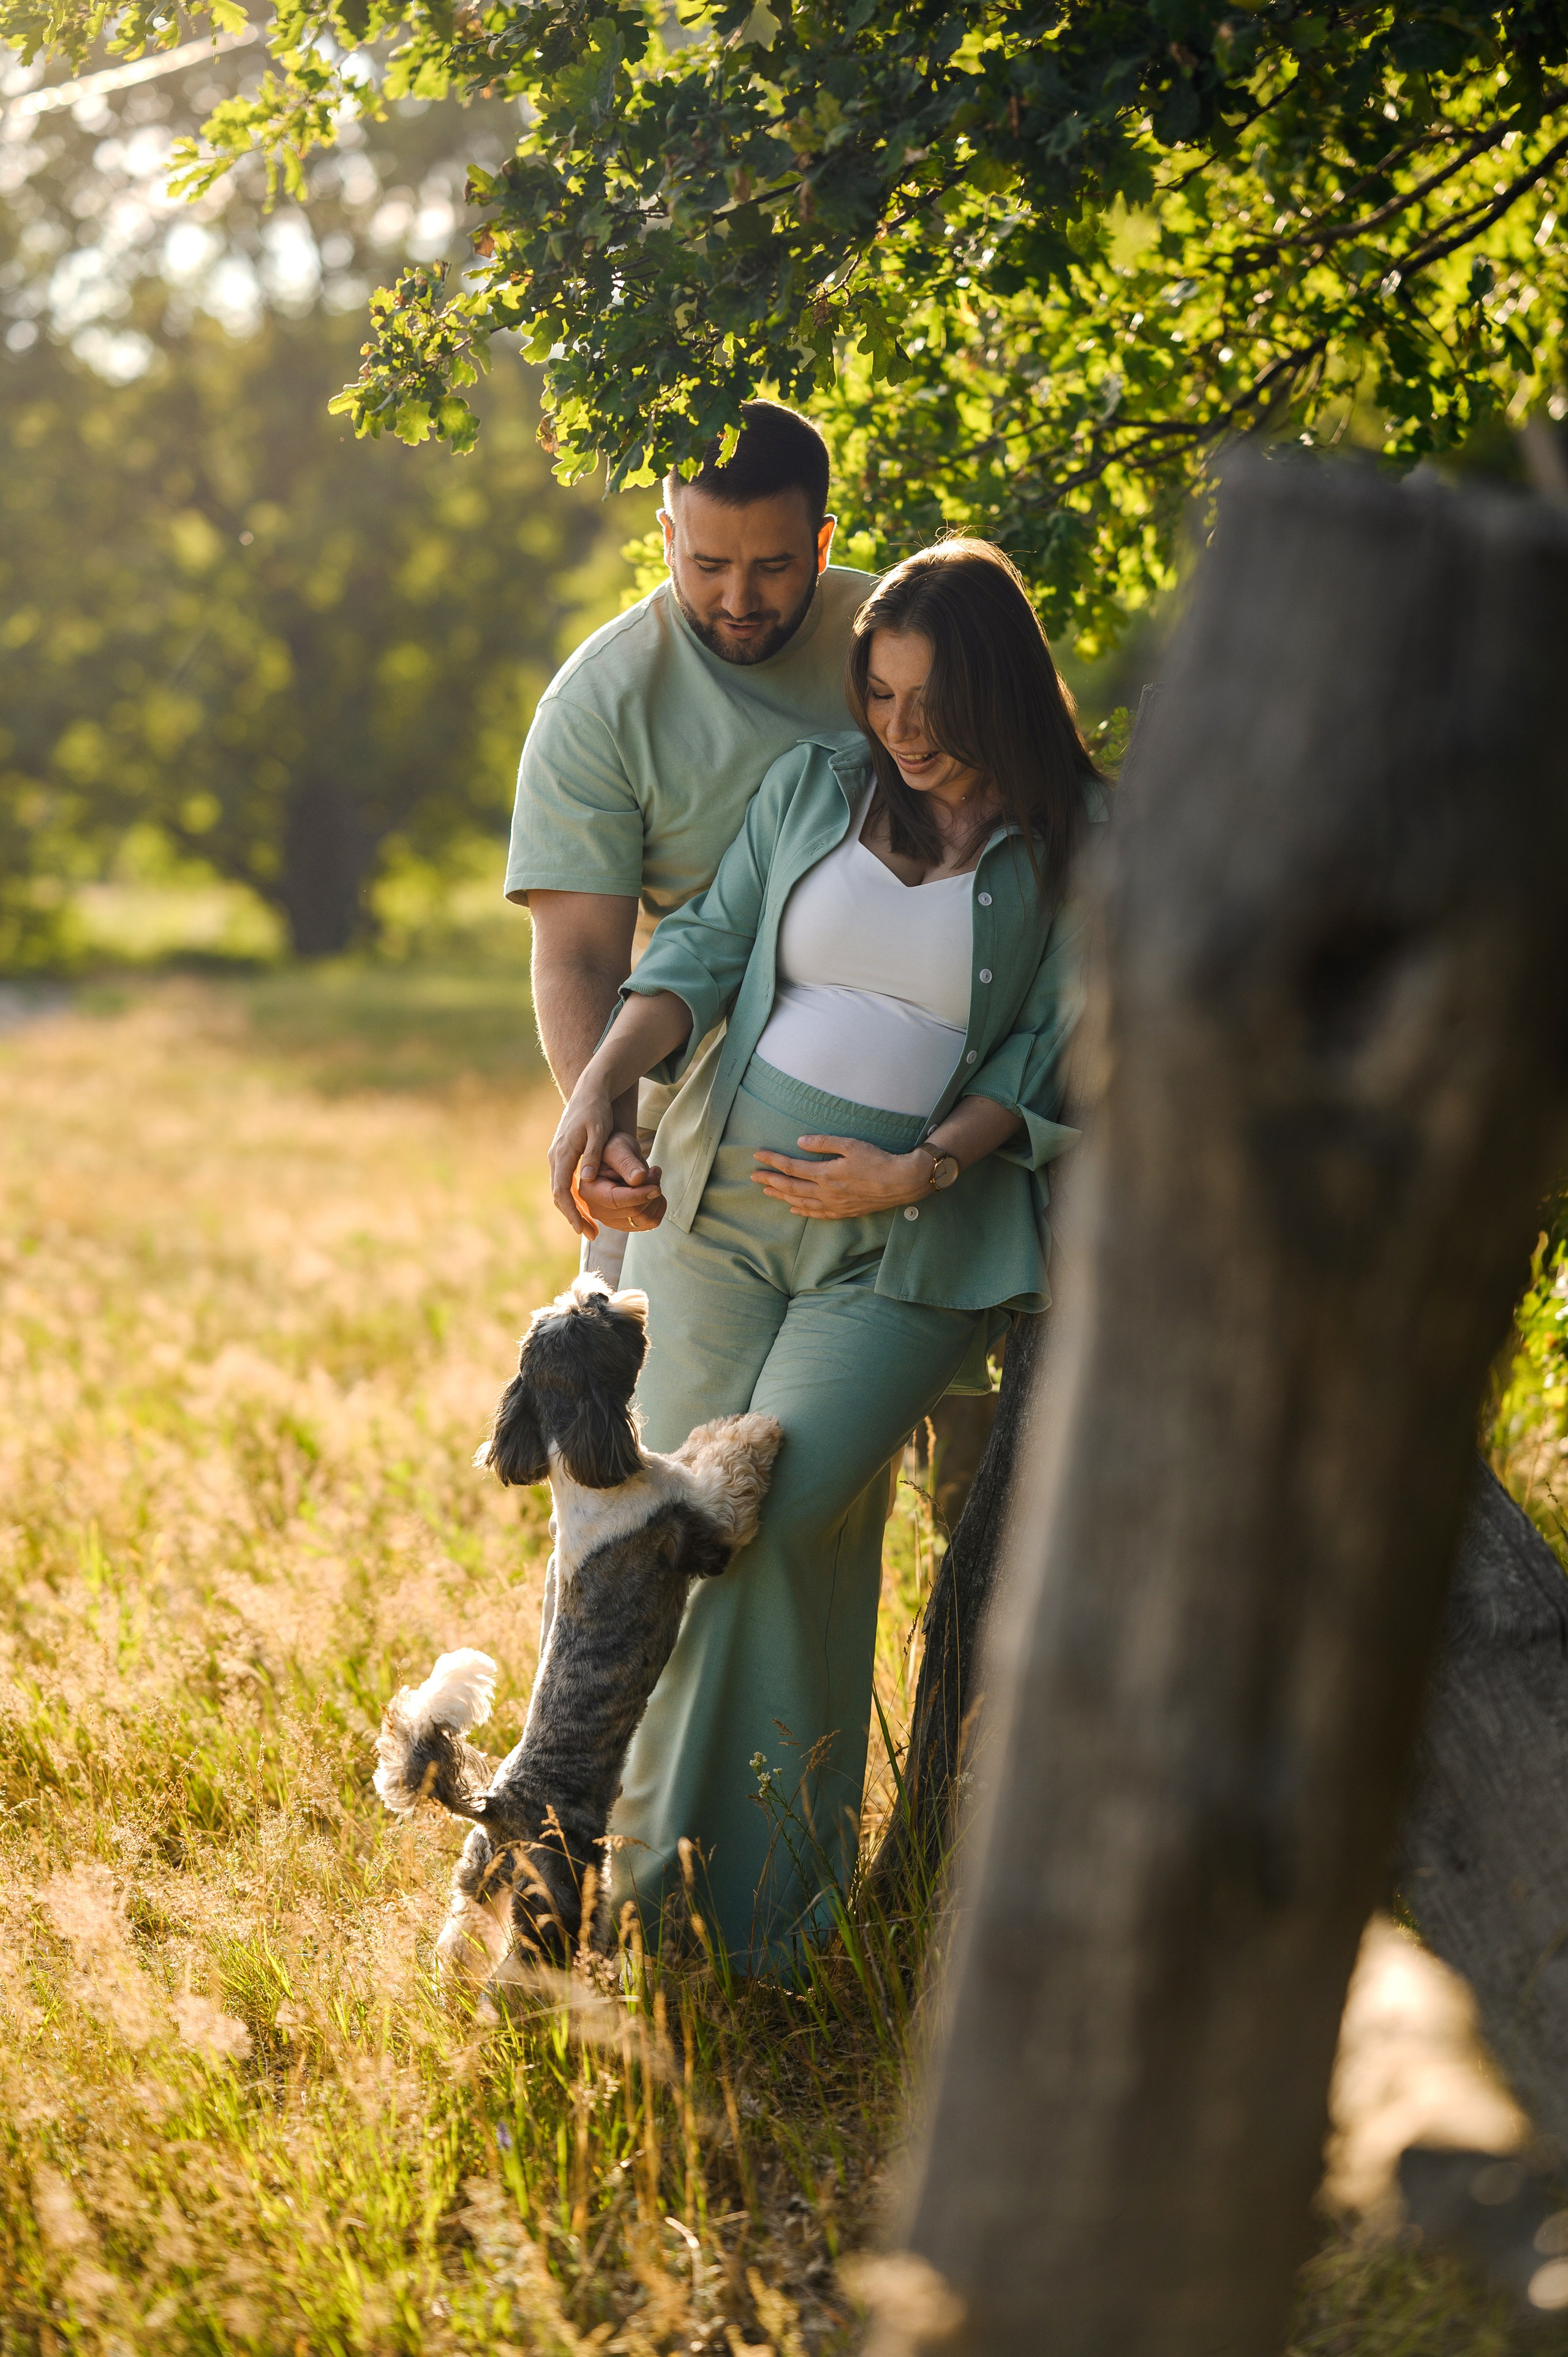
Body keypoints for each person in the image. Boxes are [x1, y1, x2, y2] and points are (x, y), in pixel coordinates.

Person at [547, 539, 1107, 1967]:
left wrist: (918, 1166)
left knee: (776, 1518)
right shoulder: (816, 786)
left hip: (908, 1241)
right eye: (880, 694)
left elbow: (1050, 1056)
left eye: (933, 702)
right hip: (716, 1211)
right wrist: (602, 1080)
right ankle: (618, 1898)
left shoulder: (1078, 843)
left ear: (1000, 691)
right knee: (657, 1538)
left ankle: (725, 1918)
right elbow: (704, 947)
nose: (901, 730)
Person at [507, 401, 879, 1286]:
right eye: (709, 565)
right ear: (669, 537)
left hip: (897, 1104)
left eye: (774, 567)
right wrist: (611, 1131)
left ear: (822, 544)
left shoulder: (895, 639)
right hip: (682, 1114)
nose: (739, 601)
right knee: (622, 1359)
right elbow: (579, 957)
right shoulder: (600, 704)